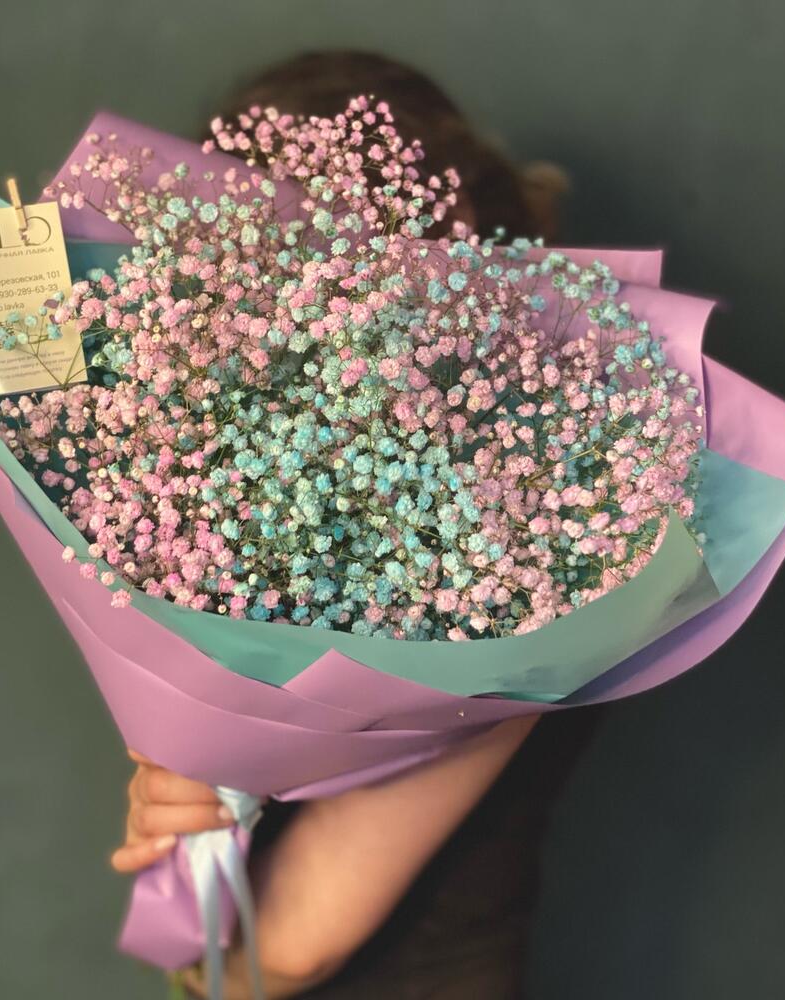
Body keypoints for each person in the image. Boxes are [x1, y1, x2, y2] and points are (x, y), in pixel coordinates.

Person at [109, 52, 598, 1000]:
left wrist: (197, 931)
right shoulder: (257, 512)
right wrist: (191, 805)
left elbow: (293, 947)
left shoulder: (527, 554)